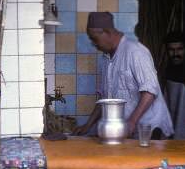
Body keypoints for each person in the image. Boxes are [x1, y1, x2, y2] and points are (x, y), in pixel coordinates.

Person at [74, 11, 173, 140]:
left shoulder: (135, 52)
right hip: (129, 133)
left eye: (94, 39)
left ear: (107, 33)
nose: (94, 44)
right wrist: (87, 126)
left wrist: (131, 122)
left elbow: (150, 91)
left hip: (151, 131)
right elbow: (104, 99)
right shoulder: (106, 60)